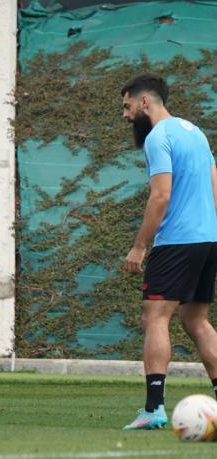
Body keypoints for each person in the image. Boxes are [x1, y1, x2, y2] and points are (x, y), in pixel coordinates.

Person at [120, 73, 217, 430]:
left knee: (155, 318)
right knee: (196, 321)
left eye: (127, 106)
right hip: (208, 240)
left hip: (176, 242)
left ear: (144, 102)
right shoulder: (195, 132)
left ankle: (153, 408)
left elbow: (160, 196)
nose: (125, 114)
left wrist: (139, 246)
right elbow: (215, 185)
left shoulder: (158, 137)